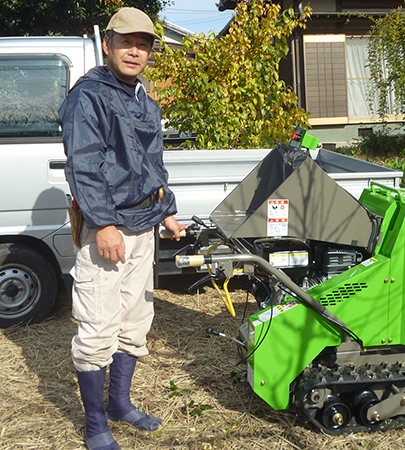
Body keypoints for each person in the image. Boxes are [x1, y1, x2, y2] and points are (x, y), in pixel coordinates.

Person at [59, 7, 187, 450]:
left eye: (144, 44)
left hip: (143, 226)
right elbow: (85, 166)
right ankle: (96, 423)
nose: (135, 51)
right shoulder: (89, 96)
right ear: (108, 43)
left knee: (135, 321)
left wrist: (166, 209)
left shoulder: (142, 98)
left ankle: (120, 403)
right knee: (98, 326)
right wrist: (104, 223)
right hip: (107, 232)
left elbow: (153, 165)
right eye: (126, 42)